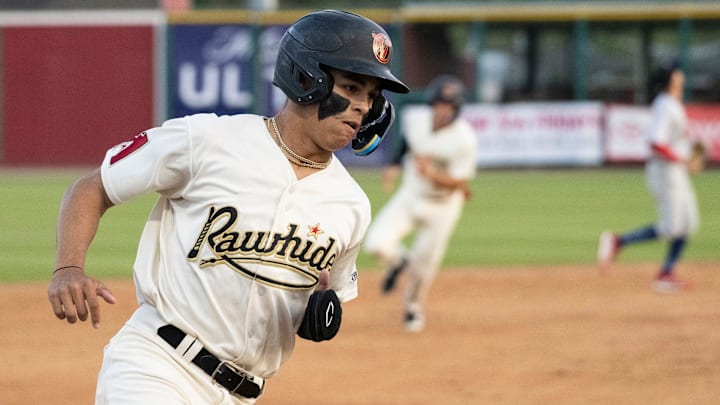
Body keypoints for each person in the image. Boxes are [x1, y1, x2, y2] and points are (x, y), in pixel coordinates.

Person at [47, 9, 408, 404]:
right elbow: (94, 187)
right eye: (352, 88)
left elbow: (324, 296)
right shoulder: (207, 140)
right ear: (306, 77)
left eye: (371, 97)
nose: (363, 107)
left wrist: (317, 314)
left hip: (242, 393)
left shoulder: (350, 203)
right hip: (156, 366)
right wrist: (69, 267)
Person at [363, 75, 477, 332]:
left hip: (443, 208)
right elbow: (406, 143)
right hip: (411, 195)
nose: (441, 110)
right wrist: (393, 166)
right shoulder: (417, 120)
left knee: (424, 267)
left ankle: (413, 308)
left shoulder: (464, 139)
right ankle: (400, 261)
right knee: (377, 243)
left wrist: (433, 174)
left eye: (448, 106)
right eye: (438, 104)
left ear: (457, 109)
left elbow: (460, 183)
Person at [597, 61, 699, 293]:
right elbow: (656, 143)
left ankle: (667, 273)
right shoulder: (665, 106)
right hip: (665, 172)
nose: (681, 75)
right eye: (677, 73)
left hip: (676, 172)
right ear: (671, 79)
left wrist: (688, 157)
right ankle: (618, 242)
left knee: (688, 222)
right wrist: (683, 160)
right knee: (671, 227)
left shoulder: (672, 104)